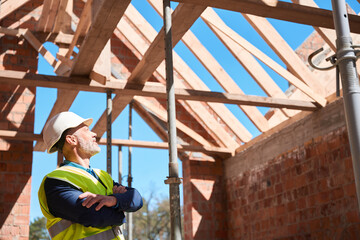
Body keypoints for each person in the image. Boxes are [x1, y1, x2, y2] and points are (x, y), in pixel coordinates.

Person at [38, 111, 143, 240]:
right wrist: (121, 210)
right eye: (87, 130)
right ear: (72, 140)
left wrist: (114, 200)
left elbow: (136, 198)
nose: (94, 134)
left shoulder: (101, 176)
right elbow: (93, 216)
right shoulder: (55, 181)